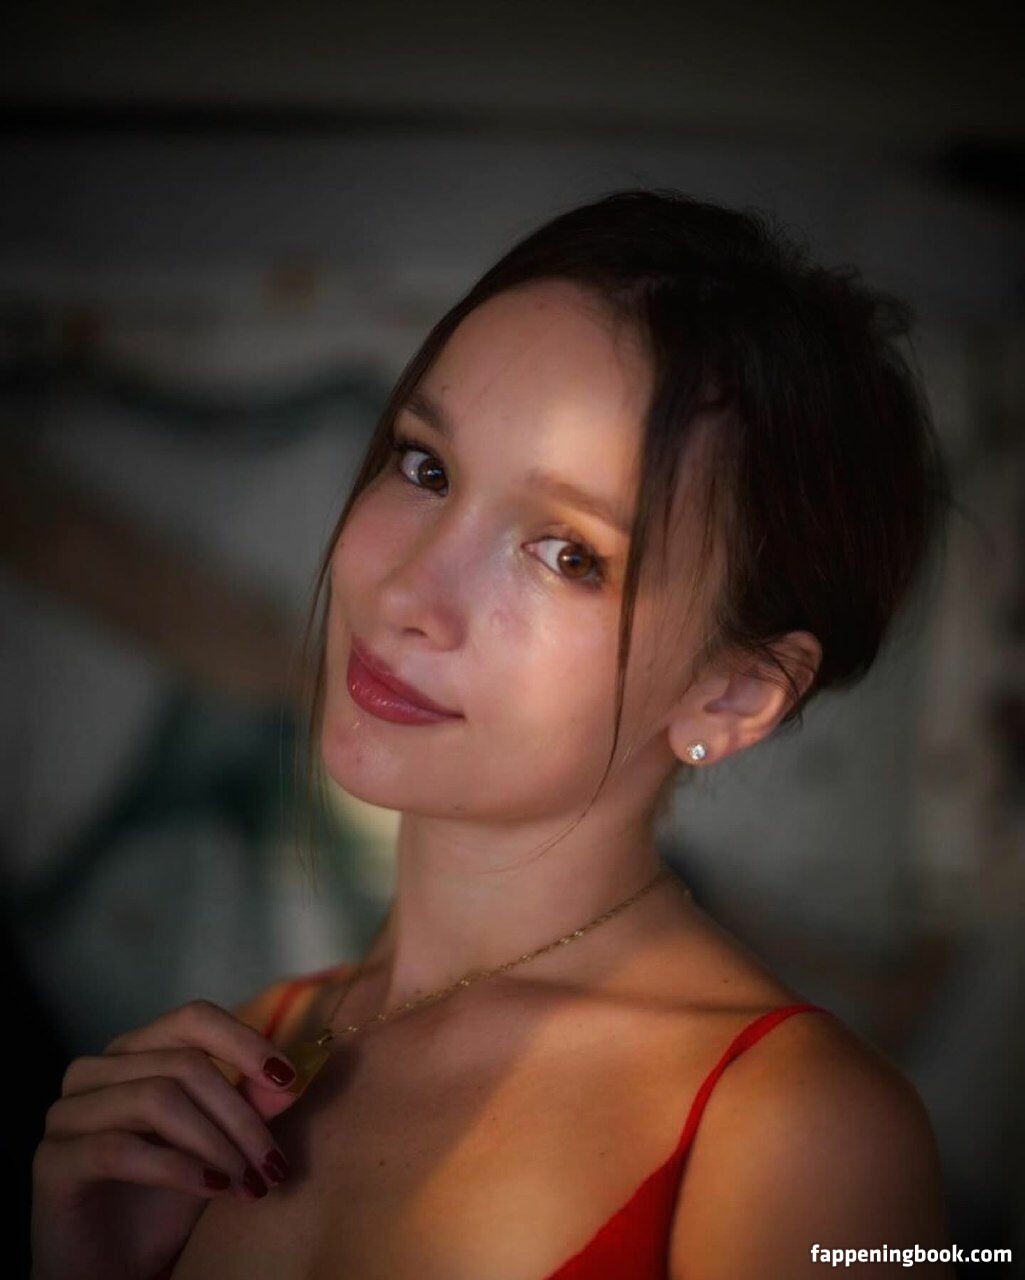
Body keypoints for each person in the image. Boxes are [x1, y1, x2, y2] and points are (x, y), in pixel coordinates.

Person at [31, 189, 956, 1279]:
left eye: (567, 553)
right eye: (424, 466)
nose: (407, 593)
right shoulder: (245, 1053)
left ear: (732, 695)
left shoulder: (801, 1132)